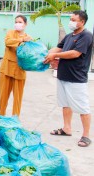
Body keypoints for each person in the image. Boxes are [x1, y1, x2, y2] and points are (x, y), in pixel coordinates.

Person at [44, 10, 93, 147]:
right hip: (63, 76)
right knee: (65, 104)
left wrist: (54, 56)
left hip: (76, 78)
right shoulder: (70, 36)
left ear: (82, 22)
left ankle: (86, 135)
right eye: (70, 19)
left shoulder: (86, 35)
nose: (71, 22)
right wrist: (46, 53)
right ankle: (67, 128)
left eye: (73, 19)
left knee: (83, 108)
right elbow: (58, 48)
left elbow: (75, 53)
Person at [0, 15, 32, 116]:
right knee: (3, 95)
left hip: (19, 69)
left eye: (20, 22)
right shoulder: (10, 33)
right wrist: (21, 40)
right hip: (7, 68)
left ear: (25, 24)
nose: (18, 24)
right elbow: (8, 42)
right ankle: (1, 116)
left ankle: (15, 118)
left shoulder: (29, 38)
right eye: (16, 22)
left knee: (18, 97)